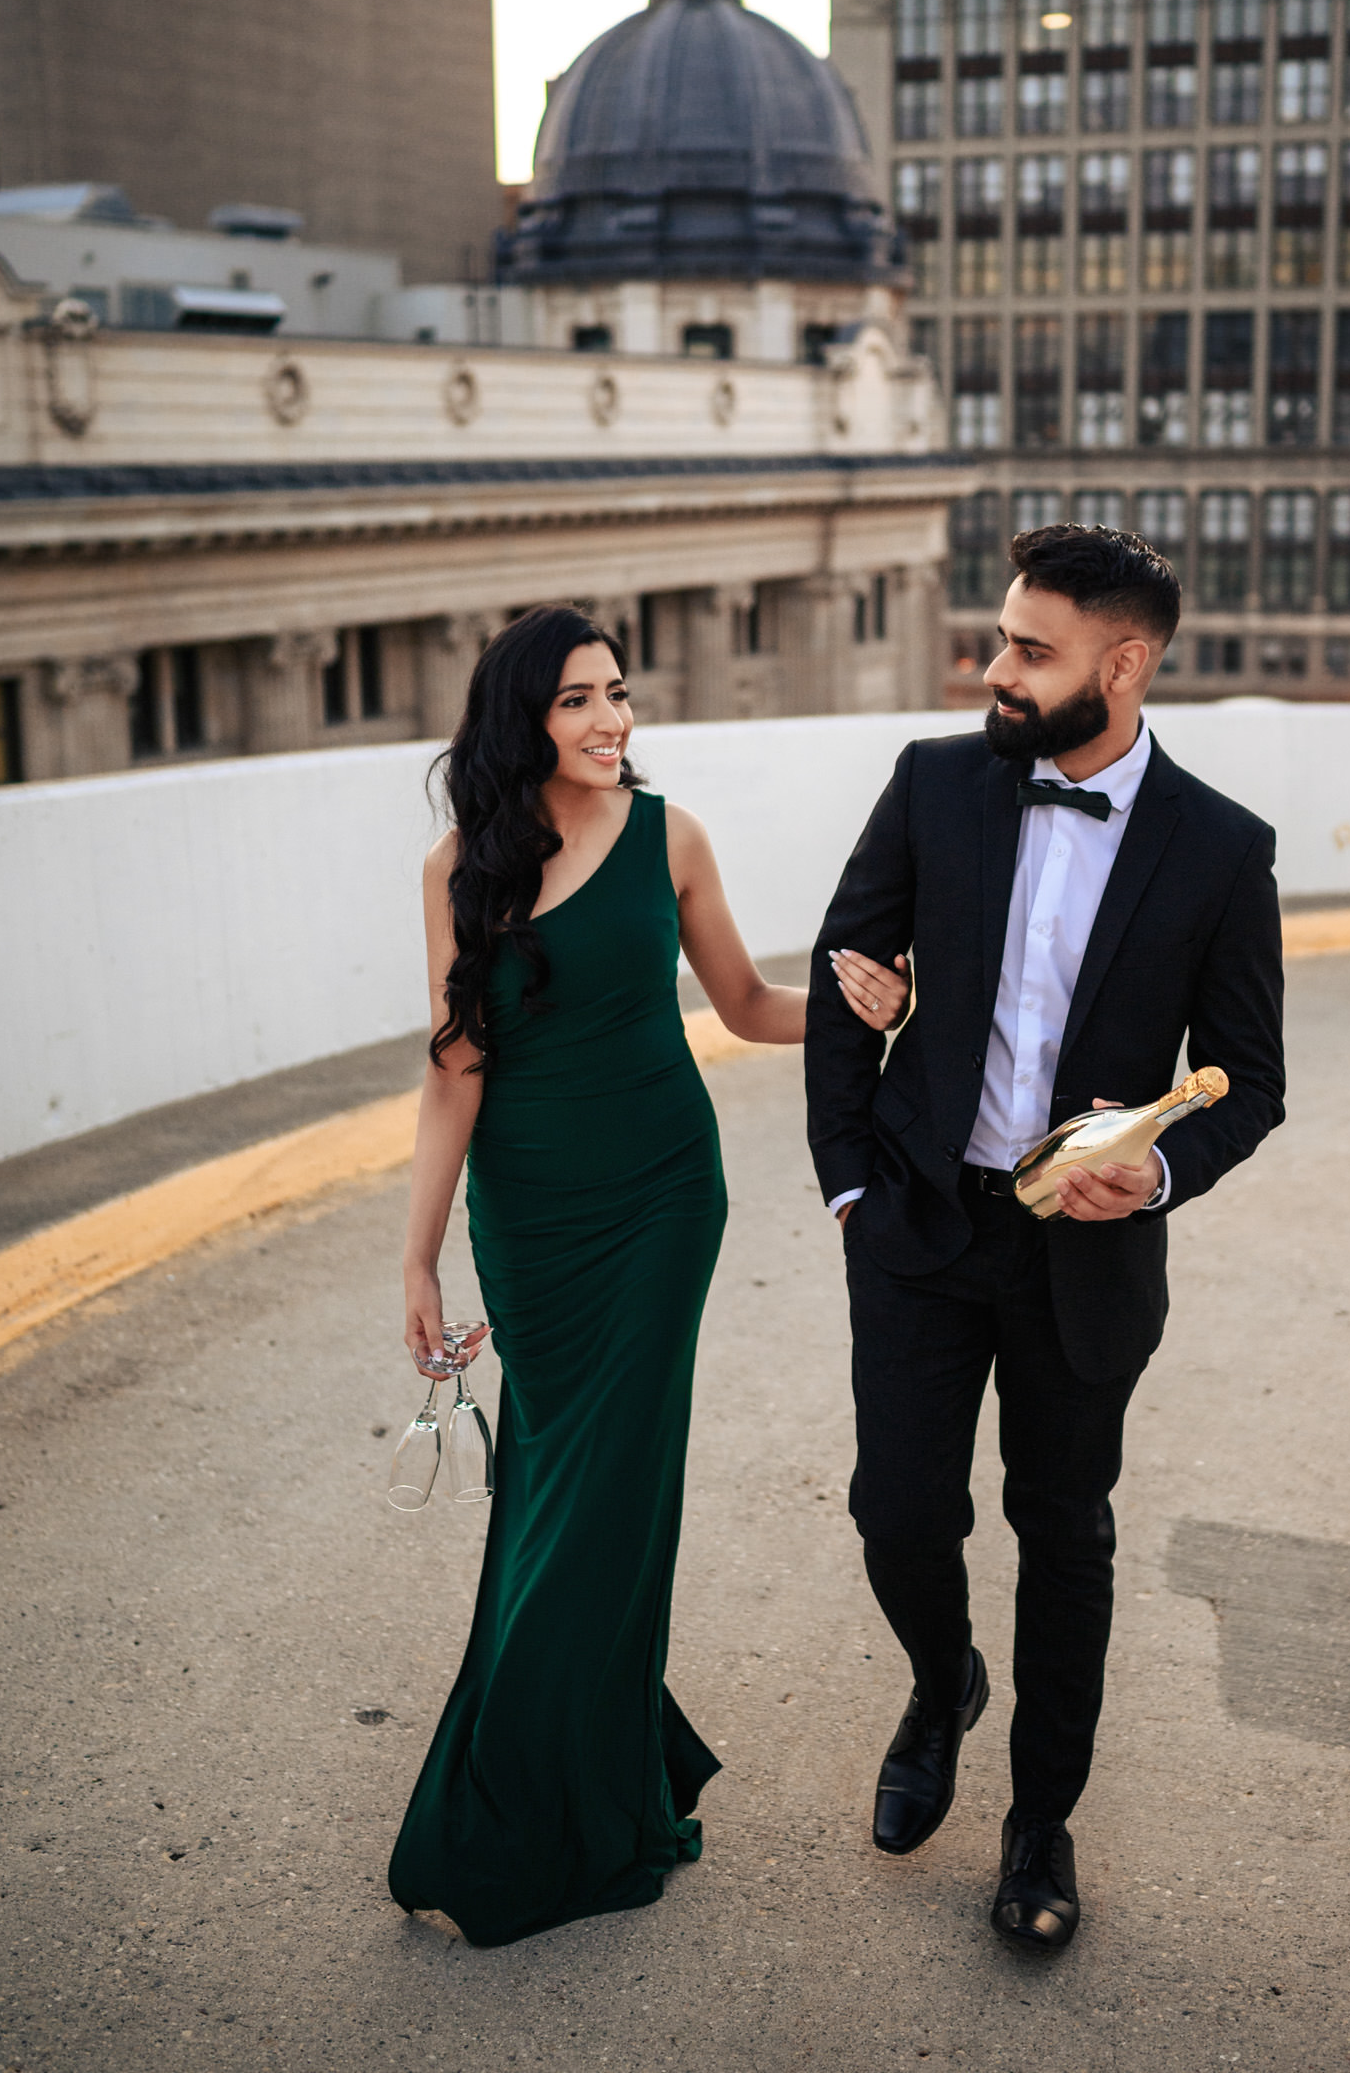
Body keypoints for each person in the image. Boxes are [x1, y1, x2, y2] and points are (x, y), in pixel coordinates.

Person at [387, 604, 905, 1947]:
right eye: (577, 700)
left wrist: (874, 1014)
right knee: (558, 1495)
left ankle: (537, 1804)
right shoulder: (460, 867)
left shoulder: (670, 835)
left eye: (619, 693)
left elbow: (742, 1005)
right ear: (521, 718)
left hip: (664, 1201)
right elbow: (455, 1068)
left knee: (612, 1500)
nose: (612, 720)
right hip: (533, 1218)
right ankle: (596, 1780)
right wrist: (419, 1257)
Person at [804, 524, 1286, 1953]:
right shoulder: (935, 784)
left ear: (1122, 666)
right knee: (896, 1510)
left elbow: (1246, 1082)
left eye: (1030, 648)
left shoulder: (1219, 849)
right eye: (1001, 638)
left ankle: (1037, 1828)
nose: (996, 668)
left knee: (1061, 1536)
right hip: (918, 1223)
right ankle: (939, 1676)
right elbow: (846, 980)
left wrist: (1151, 1179)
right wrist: (846, 1186)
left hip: (1085, 1257)